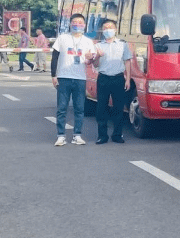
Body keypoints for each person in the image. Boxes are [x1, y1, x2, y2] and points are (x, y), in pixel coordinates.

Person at [51, 13, 96, 146]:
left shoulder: (88, 41)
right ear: (70, 24)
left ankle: (77, 135)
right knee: (62, 108)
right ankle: (60, 135)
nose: (77, 24)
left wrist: (90, 58)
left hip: (80, 78)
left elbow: (90, 61)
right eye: (75, 22)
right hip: (63, 77)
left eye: (80, 22)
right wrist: (54, 75)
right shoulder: (62, 38)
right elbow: (55, 57)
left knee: (79, 108)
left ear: (84, 25)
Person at [91, 18, 132, 144]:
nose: (108, 30)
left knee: (118, 108)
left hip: (118, 78)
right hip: (103, 78)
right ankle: (102, 135)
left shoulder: (122, 44)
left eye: (110, 27)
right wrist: (97, 56)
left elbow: (127, 61)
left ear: (115, 29)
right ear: (102, 31)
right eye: (105, 28)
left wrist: (128, 79)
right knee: (101, 108)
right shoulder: (98, 45)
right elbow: (96, 64)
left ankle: (117, 135)